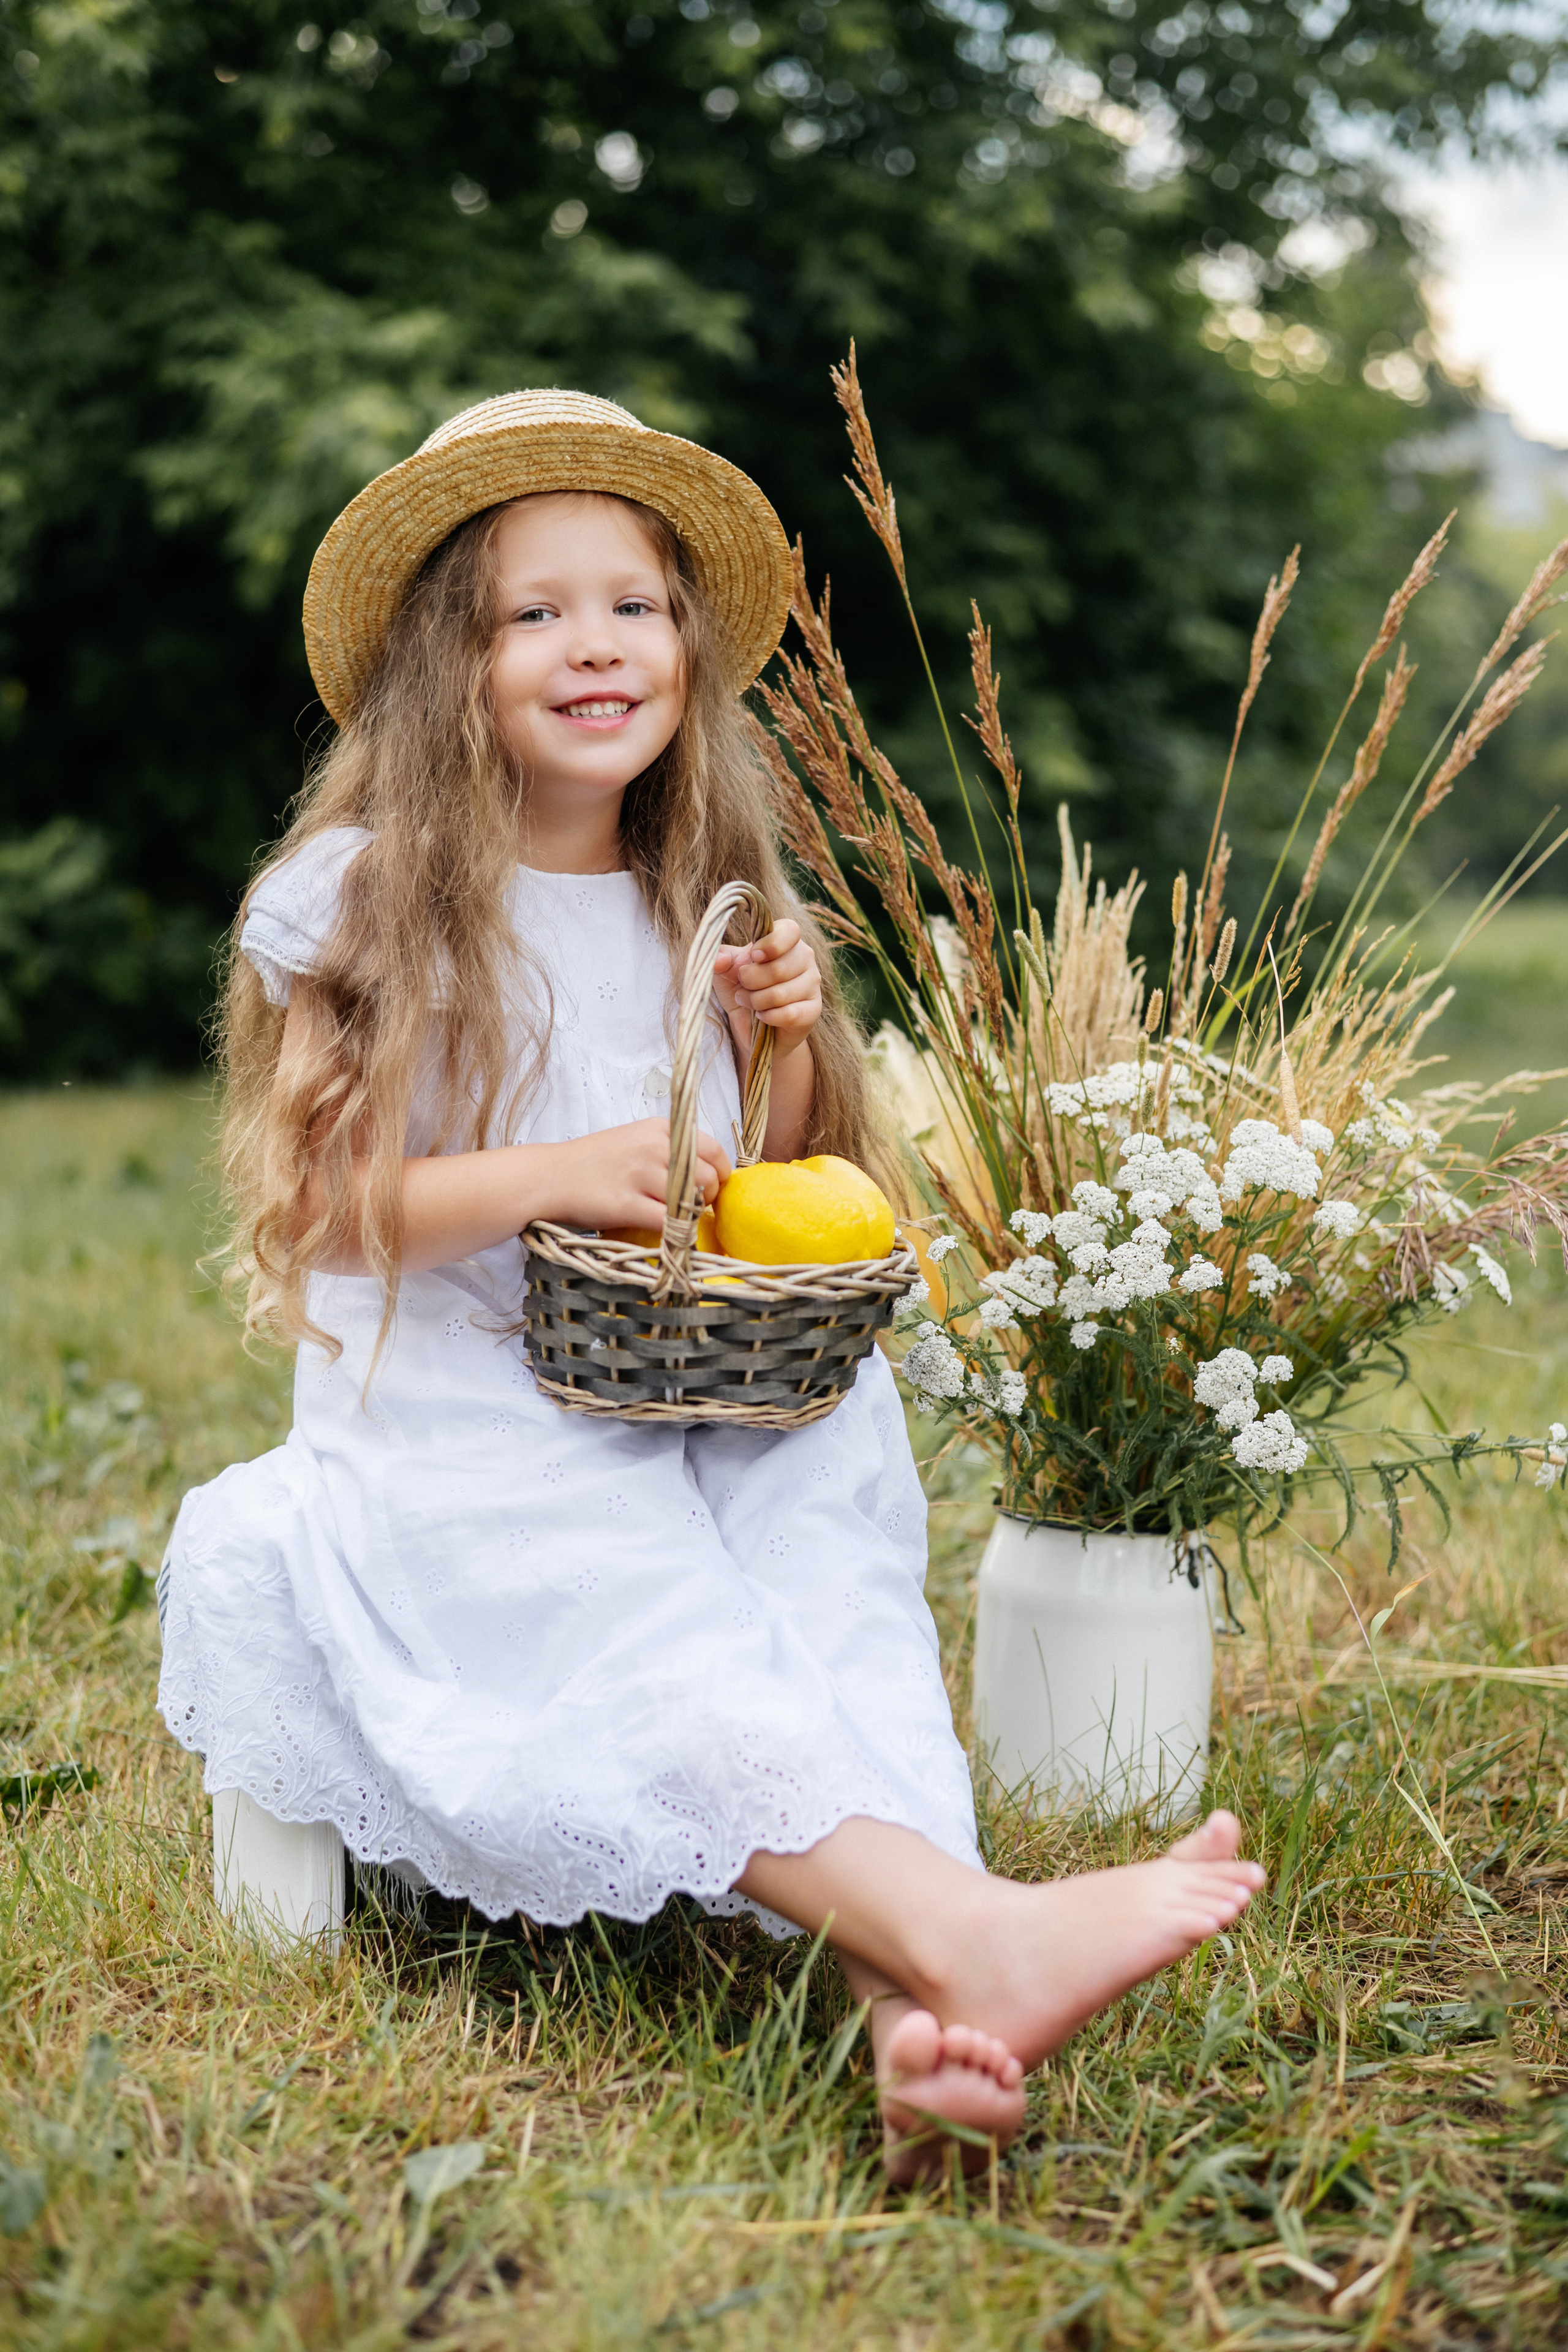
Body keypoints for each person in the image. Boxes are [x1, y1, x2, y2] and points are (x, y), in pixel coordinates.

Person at [158, 391, 1263, 2180]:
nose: (595, 645)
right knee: (639, 1600)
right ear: (453, 660)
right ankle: (971, 1939)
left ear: (686, 648)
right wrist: (547, 1179)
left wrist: (796, 1048)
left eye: (636, 605)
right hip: (461, 1411)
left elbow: (776, 1199)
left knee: (833, 1529)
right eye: (536, 611)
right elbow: (319, 1210)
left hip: (696, 1382)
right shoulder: (369, 896)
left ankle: (921, 2022)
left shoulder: (706, 902)